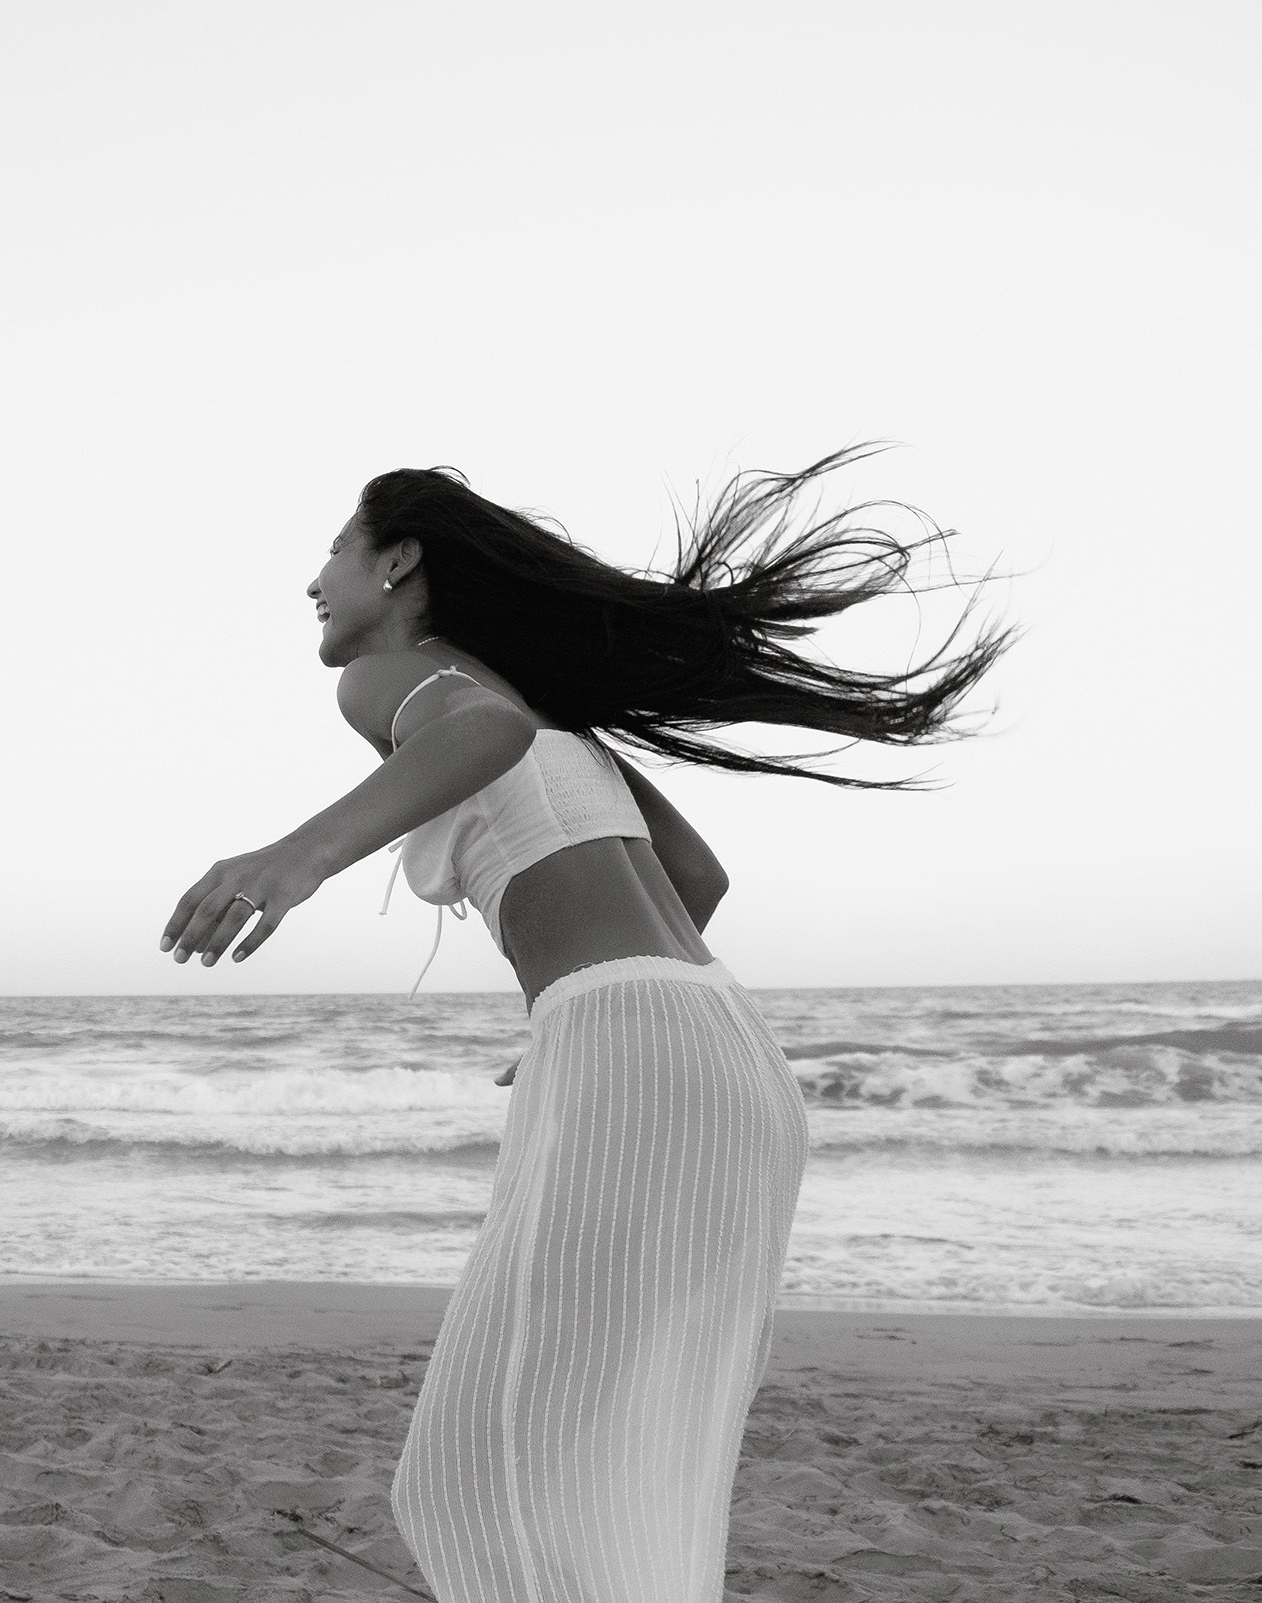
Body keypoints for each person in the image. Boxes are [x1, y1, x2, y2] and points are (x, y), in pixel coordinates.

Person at [160, 453, 1008, 1602]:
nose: (312, 583)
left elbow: (479, 743)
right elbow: (696, 880)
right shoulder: (553, 715)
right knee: (619, 1449)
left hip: (631, 1043)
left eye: (333, 551)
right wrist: (569, 1015)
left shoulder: (390, 679)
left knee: (481, 1466)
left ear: (398, 560)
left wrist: (292, 859)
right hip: (721, 1043)